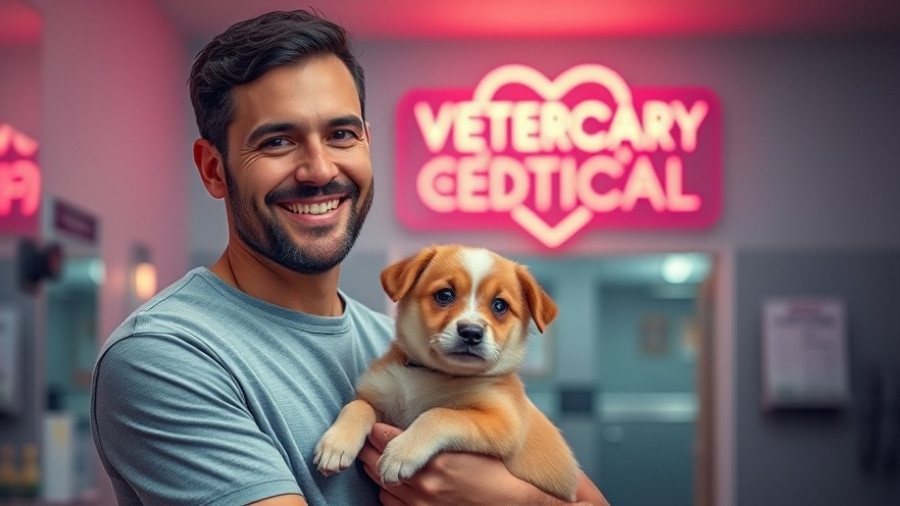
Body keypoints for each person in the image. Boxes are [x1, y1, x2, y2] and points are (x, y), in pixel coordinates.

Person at [90, 9, 609, 506]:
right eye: (277, 141)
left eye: (341, 134)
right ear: (213, 170)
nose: (319, 169)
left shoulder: (403, 347)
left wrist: (514, 500)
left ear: (366, 144)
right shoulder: (165, 357)